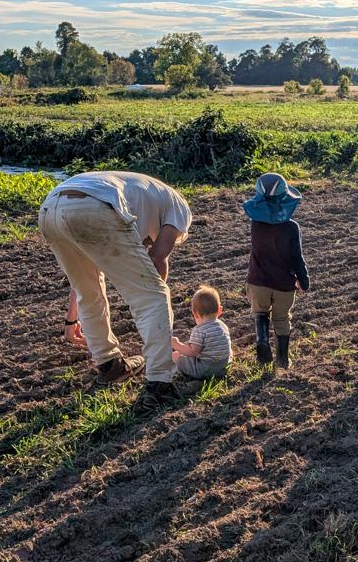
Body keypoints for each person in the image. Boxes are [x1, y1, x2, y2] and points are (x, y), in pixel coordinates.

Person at [38, 171, 192, 414]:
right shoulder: (179, 206)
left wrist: (71, 318)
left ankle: (110, 366)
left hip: (51, 208)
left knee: (88, 290)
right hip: (97, 206)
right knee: (154, 297)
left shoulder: (141, 195)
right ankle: (160, 383)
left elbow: (83, 283)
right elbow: (158, 257)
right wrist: (152, 303)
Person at [244, 173, 310, 369]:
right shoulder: (291, 228)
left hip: (258, 282)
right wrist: (303, 280)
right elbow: (297, 257)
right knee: (281, 319)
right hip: (284, 285)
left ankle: (262, 340)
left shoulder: (256, 224)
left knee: (260, 312)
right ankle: (282, 360)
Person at [172, 286, 233, 380]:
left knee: (176, 355)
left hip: (206, 370)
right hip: (224, 366)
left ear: (195, 313)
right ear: (220, 310)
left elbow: (192, 351)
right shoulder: (223, 326)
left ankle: (176, 373)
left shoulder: (200, 330)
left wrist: (176, 345)